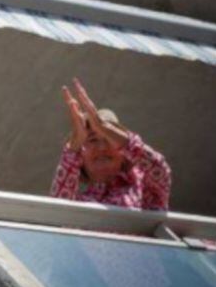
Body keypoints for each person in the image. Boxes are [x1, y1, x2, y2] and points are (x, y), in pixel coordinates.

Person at [50, 78, 171, 210]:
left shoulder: (145, 190)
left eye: (109, 139)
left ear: (125, 154)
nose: (102, 148)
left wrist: (104, 126)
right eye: (93, 140)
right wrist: (74, 145)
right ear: (81, 158)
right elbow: (56, 211)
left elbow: (159, 169)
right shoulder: (77, 203)